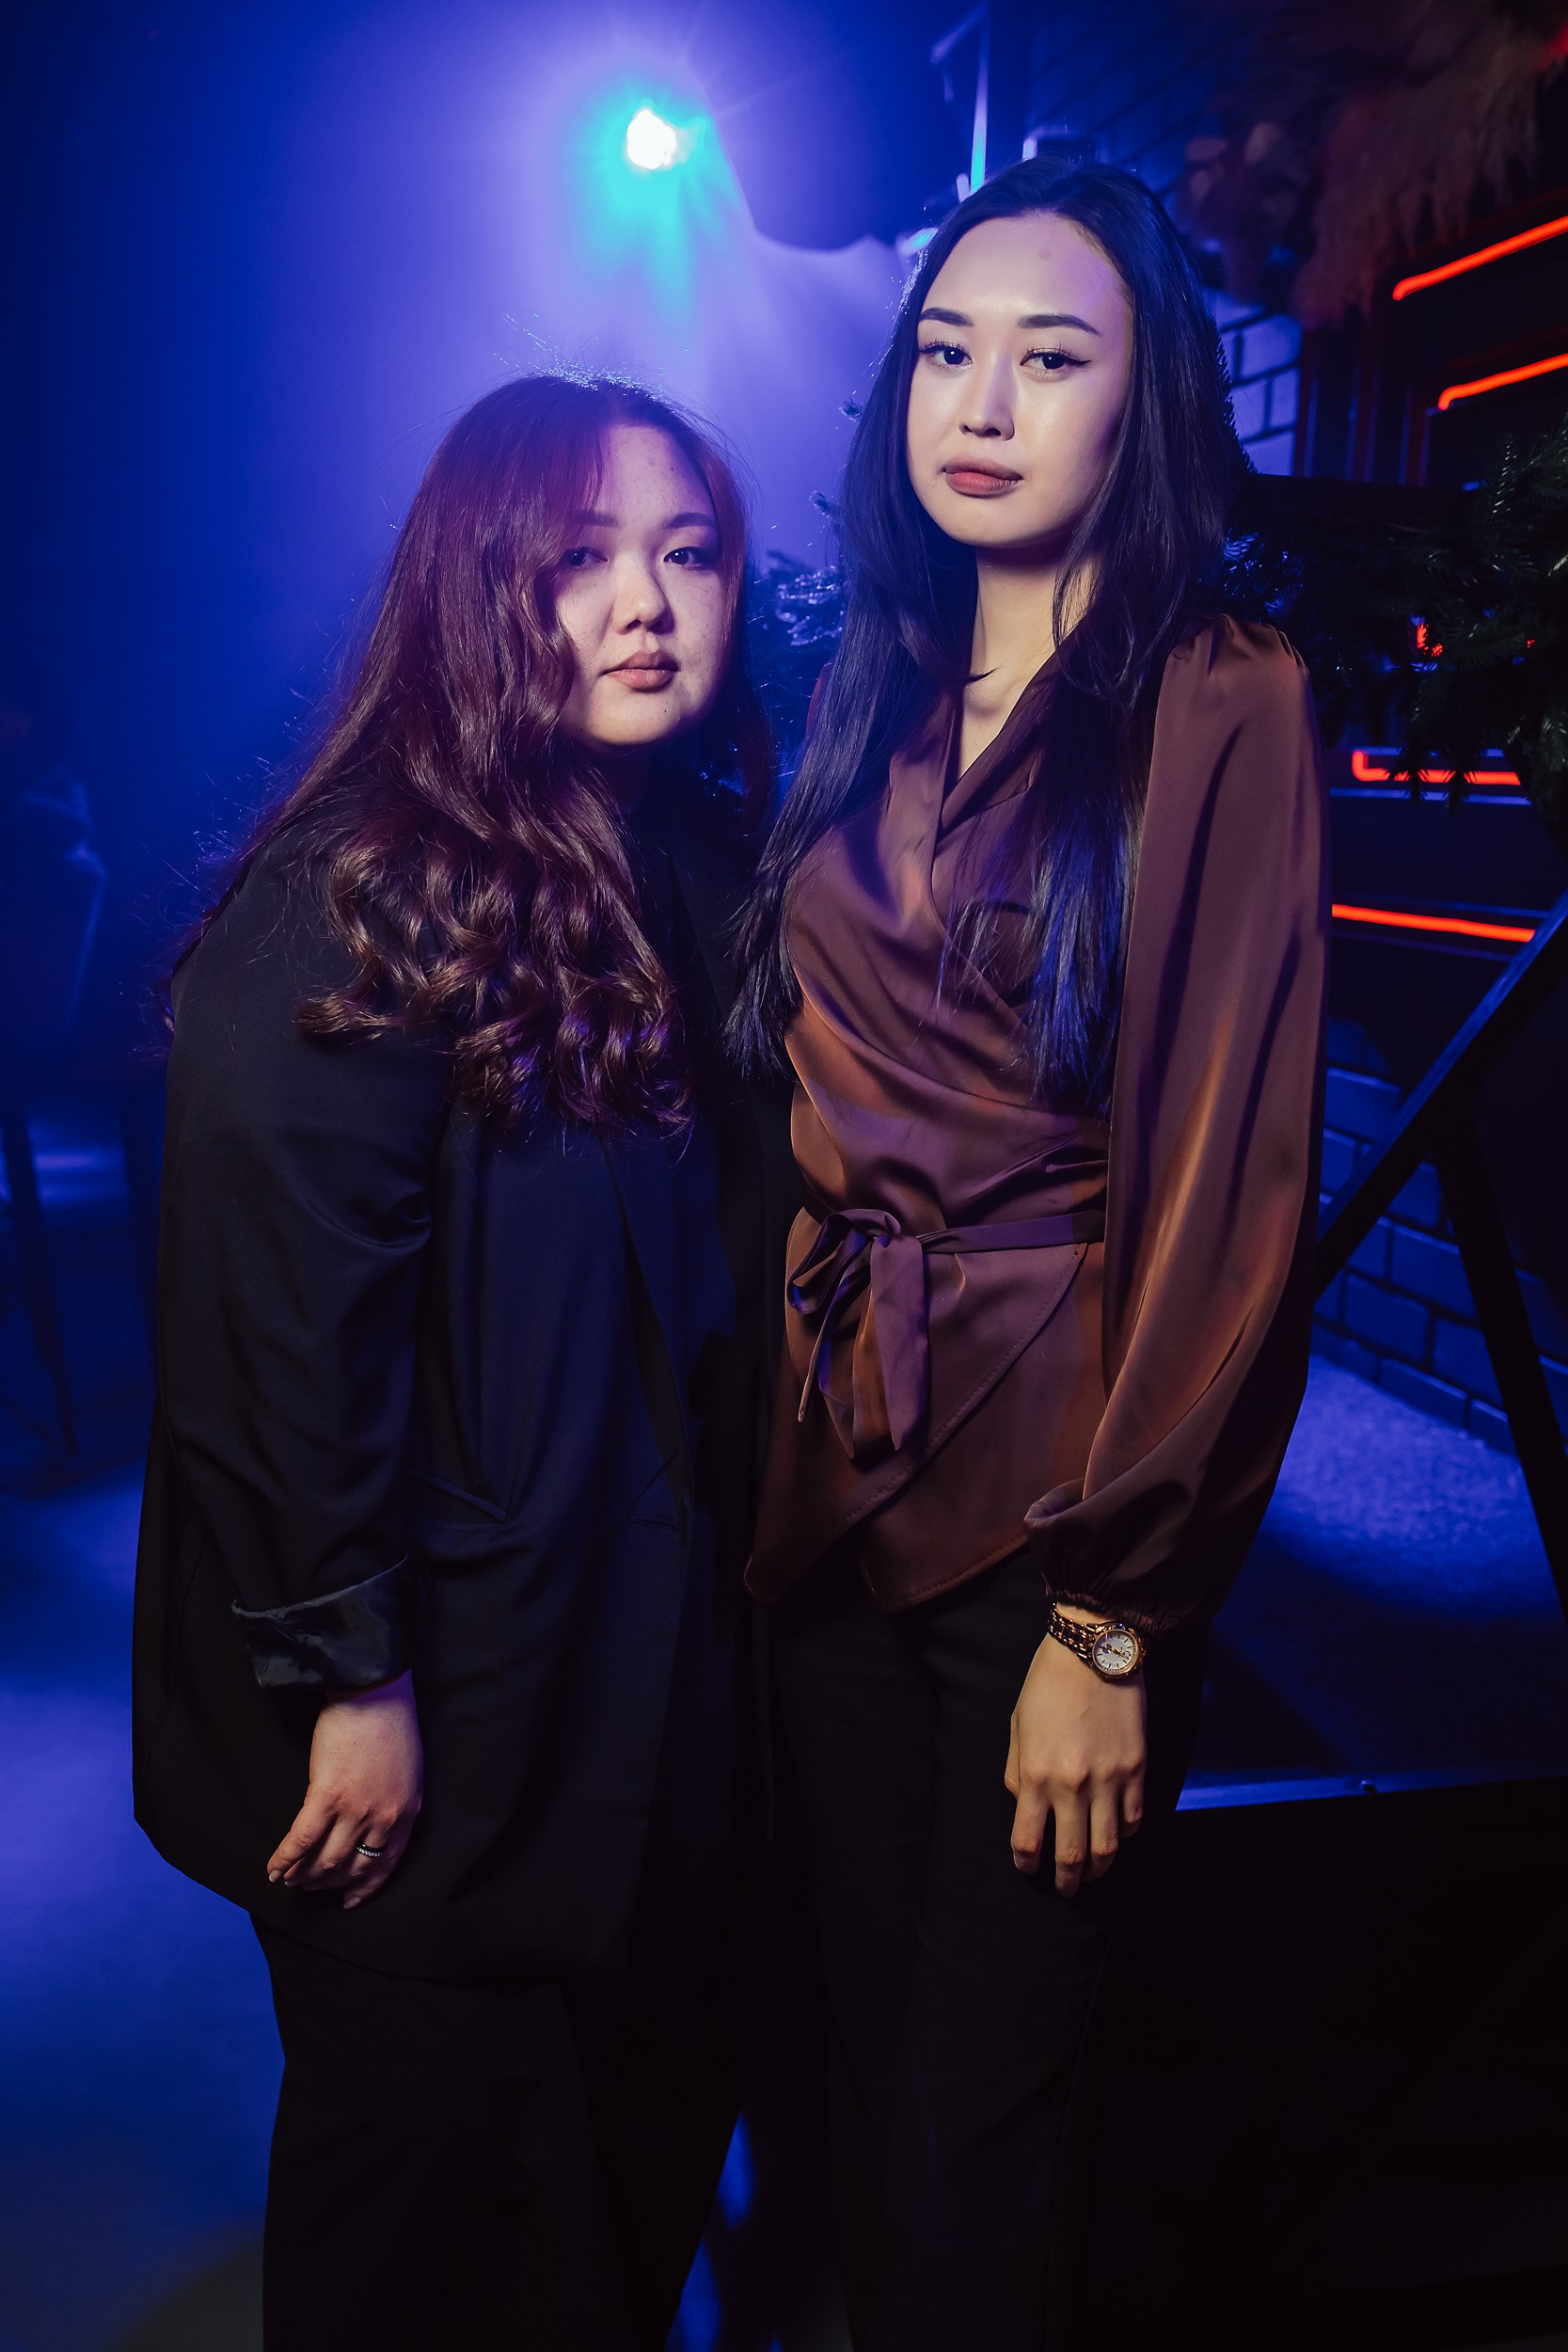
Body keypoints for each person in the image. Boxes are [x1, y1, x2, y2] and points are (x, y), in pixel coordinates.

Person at [729, 159, 1329, 2350]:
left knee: (986, 2117)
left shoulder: (1221, 693)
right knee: (860, 2063)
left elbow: (1230, 1177)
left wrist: (1118, 1608)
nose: (982, 405)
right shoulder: (865, 682)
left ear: (1138, 399)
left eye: (1051, 358)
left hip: (1048, 1502)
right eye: (949, 352)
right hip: (827, 1465)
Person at [133, 373, 797, 2352]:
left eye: (689, 552)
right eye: (581, 557)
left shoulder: (698, 864)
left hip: (637, 1649)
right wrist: (351, 1676)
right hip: (417, 1678)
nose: (647, 603)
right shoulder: (352, 891)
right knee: (426, 2183)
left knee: (622, 2161)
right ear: (477, 585)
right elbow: (274, 1336)